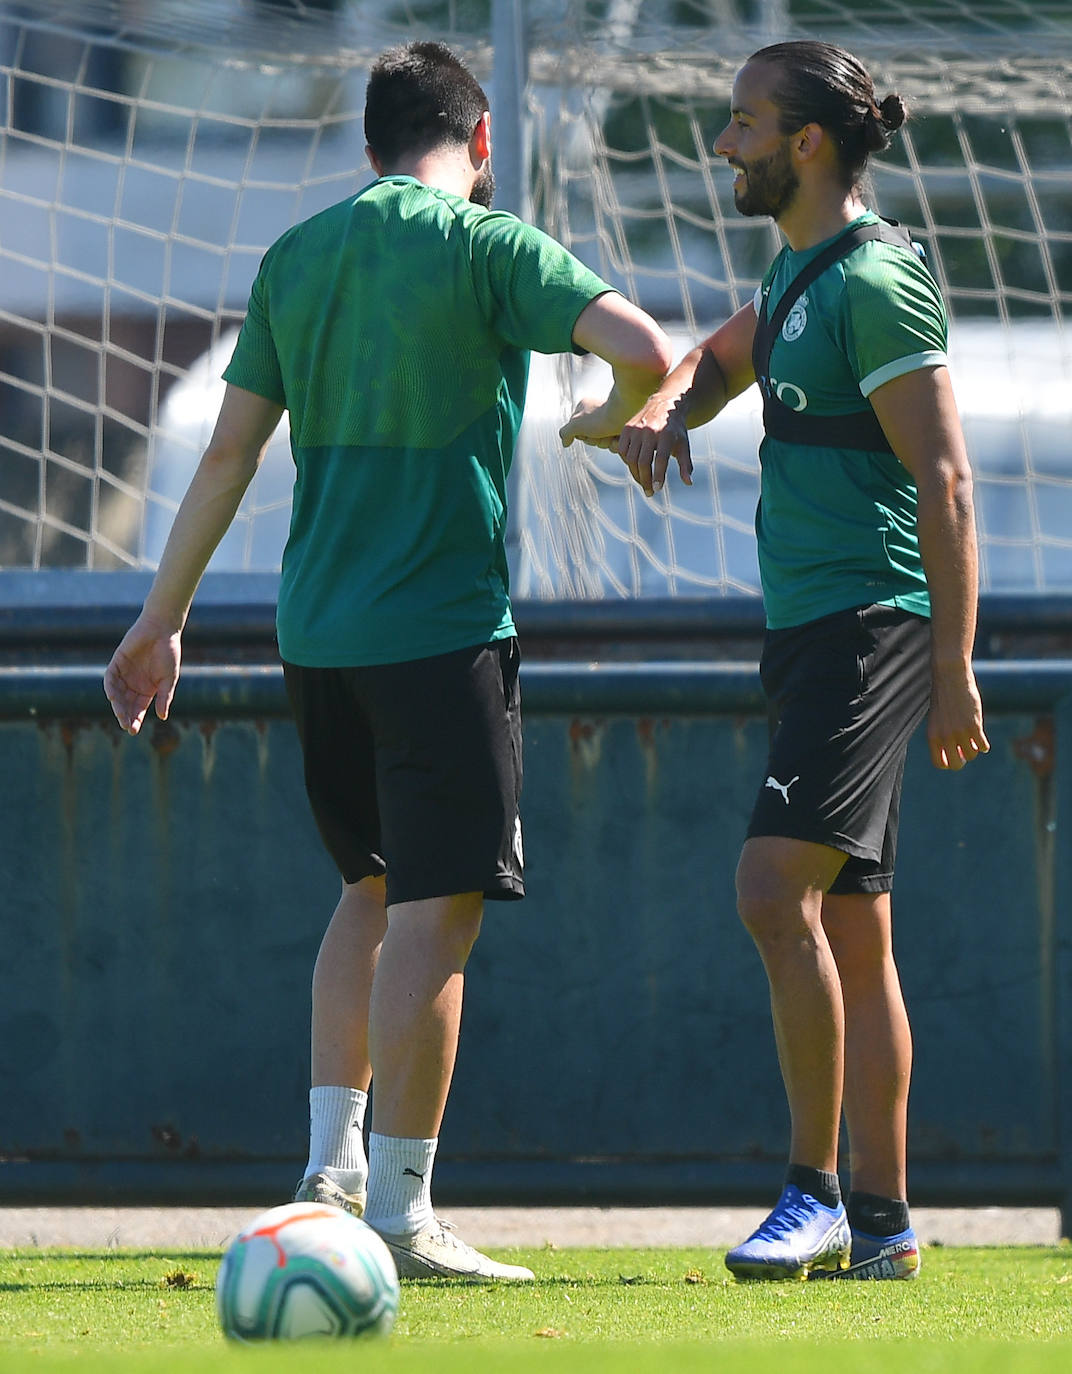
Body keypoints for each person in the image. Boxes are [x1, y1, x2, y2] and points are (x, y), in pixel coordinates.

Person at [104, 40, 672, 1282]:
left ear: (368, 149)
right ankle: (404, 1217)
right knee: (436, 909)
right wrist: (613, 414)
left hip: (316, 636)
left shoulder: (299, 256)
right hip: (439, 630)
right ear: (479, 145)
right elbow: (640, 338)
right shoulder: (488, 244)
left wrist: (159, 620)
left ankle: (328, 1170)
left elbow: (225, 459)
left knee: (366, 891)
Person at [561, 40, 989, 1281]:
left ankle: (810, 1197)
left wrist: (953, 667)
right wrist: (652, 413)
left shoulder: (877, 279)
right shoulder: (798, 267)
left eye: (743, 123)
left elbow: (948, 481)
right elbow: (712, 360)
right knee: (856, 932)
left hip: (870, 627)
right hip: (810, 631)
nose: (723, 143)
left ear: (806, 143)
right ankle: (887, 1225)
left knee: (768, 891)